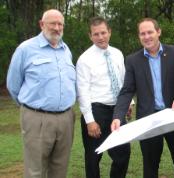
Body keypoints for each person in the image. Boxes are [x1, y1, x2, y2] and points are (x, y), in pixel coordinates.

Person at [111, 18, 174, 178]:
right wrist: (118, 116)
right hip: (148, 121)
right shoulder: (133, 60)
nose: (146, 36)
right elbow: (127, 91)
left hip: (173, 117)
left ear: (158, 32)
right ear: (139, 36)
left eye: (150, 32)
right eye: (142, 33)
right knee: (150, 164)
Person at [6, 9, 76, 178]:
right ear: (42, 24)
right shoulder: (26, 49)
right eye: (53, 23)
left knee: (60, 168)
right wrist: (31, 109)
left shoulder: (65, 50)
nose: (57, 28)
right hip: (37, 118)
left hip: (66, 118)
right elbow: (13, 85)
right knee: (35, 170)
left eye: (60, 24)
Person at [76, 17, 131, 178]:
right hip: (96, 111)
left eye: (103, 33)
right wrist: (89, 120)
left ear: (109, 32)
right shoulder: (84, 60)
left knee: (123, 153)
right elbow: (83, 92)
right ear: (90, 36)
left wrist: (128, 103)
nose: (100, 37)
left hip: (117, 111)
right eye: (96, 34)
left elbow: (123, 81)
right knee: (93, 158)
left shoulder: (117, 54)